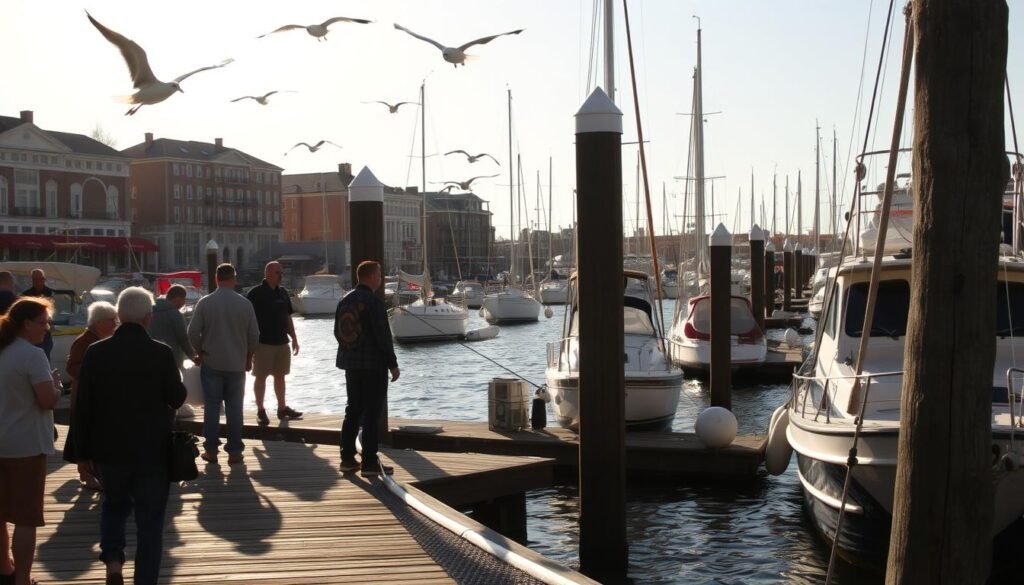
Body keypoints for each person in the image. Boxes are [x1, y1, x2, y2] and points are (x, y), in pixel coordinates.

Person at [74, 287, 186, 585]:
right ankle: (145, 580)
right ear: (148, 318)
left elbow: (83, 405)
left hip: (109, 449)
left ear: (119, 316)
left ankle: (113, 561)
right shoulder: (161, 353)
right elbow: (176, 398)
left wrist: (81, 453)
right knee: (150, 521)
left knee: (113, 505)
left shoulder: (96, 352)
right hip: (152, 451)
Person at [0, 298, 62, 585]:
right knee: (26, 517)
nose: (47, 329)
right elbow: (46, 400)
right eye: (43, 322)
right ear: (27, 324)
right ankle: (23, 579)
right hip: (25, 445)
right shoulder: (32, 355)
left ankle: (4, 568)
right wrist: (57, 387)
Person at [187, 264, 259, 465]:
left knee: (211, 408)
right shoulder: (245, 304)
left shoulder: (205, 302)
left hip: (212, 362)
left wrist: (200, 351)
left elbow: (192, 333)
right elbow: (254, 336)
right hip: (236, 364)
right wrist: (249, 357)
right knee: (235, 410)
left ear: (217, 278)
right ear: (234, 278)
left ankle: (211, 451)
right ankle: (235, 452)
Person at [334, 260, 399, 477]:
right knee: (372, 412)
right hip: (373, 365)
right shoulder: (374, 303)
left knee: (352, 408)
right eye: (379, 275)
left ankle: (347, 458)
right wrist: (393, 364)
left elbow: (337, 332)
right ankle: (369, 462)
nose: (380, 279)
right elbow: (382, 337)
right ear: (371, 277)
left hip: (351, 364)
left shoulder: (345, 300)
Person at [65, 301, 119, 491]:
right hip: (83, 396)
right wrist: (96, 370)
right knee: (82, 434)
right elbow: (71, 368)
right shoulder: (84, 341)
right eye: (112, 320)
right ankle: (85, 474)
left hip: (98, 396)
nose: (115, 323)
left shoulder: (104, 341)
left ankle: (92, 472)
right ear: (99, 322)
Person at [246, 261, 302, 426]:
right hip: (263, 343)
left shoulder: (283, 292)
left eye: (281, 272)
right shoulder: (256, 293)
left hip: (282, 342)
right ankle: (261, 410)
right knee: (260, 377)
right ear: (268, 273)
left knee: (281, 376)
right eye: (278, 272)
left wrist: (294, 338)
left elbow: (287, 317)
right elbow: (248, 320)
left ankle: (282, 408)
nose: (281, 275)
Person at [148, 285, 197, 369]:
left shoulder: (149, 312)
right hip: (172, 360)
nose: (184, 303)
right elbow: (183, 339)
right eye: (184, 299)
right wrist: (193, 357)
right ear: (178, 298)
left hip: (151, 358)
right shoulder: (175, 314)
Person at [20, 269, 54, 360]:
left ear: (44, 279)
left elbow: (57, 311)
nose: (38, 281)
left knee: (45, 357)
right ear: (32, 281)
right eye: (35, 279)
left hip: (45, 332)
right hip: (31, 333)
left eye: (41, 279)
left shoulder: (51, 293)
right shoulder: (26, 295)